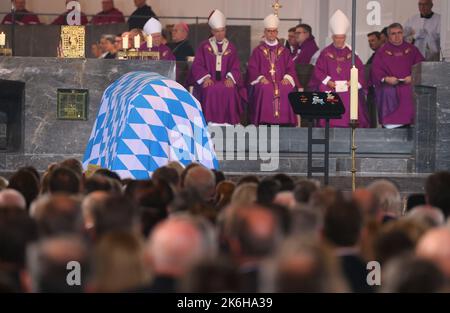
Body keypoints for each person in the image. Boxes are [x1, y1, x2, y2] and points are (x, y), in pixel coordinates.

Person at [313, 10, 369, 128]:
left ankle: (351, 123)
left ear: (345, 37)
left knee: (352, 93)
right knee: (325, 91)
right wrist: (328, 81)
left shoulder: (352, 53)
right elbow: (318, 71)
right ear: (333, 37)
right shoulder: (326, 53)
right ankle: (329, 123)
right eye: (337, 38)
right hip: (331, 86)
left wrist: (352, 82)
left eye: (342, 38)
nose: (339, 40)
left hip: (348, 86)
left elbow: (361, 71)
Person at [191, 10, 243, 125]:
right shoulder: (204, 46)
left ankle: (228, 122)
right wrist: (205, 78)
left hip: (226, 80)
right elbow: (197, 65)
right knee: (209, 89)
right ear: (212, 31)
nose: (220, 34)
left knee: (230, 89)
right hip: (209, 80)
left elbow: (236, 66)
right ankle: (209, 122)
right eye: (217, 31)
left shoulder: (231, 47)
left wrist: (231, 78)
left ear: (225, 30)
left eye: (222, 31)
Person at [247, 14, 299, 126]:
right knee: (264, 88)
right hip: (264, 81)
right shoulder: (258, 50)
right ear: (265, 32)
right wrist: (260, 78)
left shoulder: (284, 51)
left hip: (281, 81)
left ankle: (285, 121)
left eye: (274, 31)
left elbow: (291, 68)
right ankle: (263, 121)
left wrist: (287, 77)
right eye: (269, 31)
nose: (271, 33)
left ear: (277, 33)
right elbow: (252, 68)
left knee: (287, 88)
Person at [371, 23, 425, 129]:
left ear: (403, 33)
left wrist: (412, 77)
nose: (397, 36)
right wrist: (386, 78)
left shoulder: (412, 49)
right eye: (393, 34)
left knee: (412, 91)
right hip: (390, 85)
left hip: (409, 83)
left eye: (399, 33)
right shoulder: (382, 52)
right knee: (388, 91)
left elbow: (421, 66)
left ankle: (413, 123)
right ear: (388, 36)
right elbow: (376, 70)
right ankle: (391, 125)